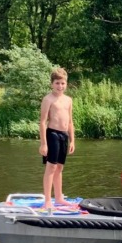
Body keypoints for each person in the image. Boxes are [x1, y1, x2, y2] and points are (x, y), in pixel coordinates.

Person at [39, 67, 75, 210]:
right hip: (52, 134)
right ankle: (48, 200)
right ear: (52, 84)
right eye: (57, 83)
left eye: (63, 83)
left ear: (66, 84)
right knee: (51, 167)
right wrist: (43, 144)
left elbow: (70, 121)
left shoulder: (68, 100)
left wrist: (72, 140)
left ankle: (59, 197)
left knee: (60, 167)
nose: (60, 86)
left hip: (64, 135)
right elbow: (42, 122)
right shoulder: (48, 99)